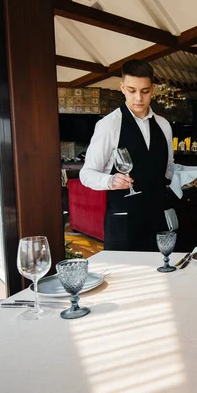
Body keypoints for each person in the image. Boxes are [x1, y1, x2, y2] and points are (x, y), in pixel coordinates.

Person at [80, 59, 174, 251]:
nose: (138, 97)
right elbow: (86, 173)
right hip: (123, 223)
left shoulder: (164, 125)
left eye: (145, 91)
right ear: (122, 88)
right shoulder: (109, 125)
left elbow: (168, 169)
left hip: (157, 221)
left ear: (153, 89)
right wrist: (110, 181)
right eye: (132, 90)